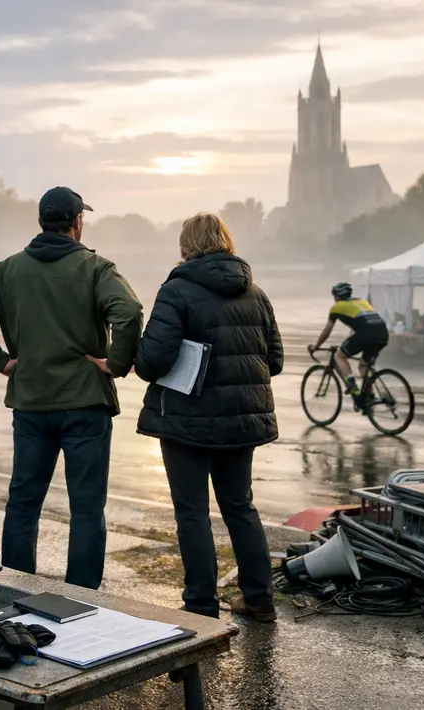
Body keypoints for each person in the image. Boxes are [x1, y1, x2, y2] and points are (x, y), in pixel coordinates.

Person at [0, 186, 143, 590]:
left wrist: (1, 361)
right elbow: (128, 311)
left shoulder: (8, 270)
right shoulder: (97, 269)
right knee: (86, 508)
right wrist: (116, 364)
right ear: (77, 222)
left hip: (32, 405)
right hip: (86, 404)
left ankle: (16, 591)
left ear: (41, 220)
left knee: (23, 503)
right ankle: (82, 595)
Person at [125, 212, 282, 623]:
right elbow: (275, 360)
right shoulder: (256, 294)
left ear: (186, 246)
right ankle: (260, 599)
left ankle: (200, 605)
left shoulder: (176, 291)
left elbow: (152, 361)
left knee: (192, 513)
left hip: (186, 422)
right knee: (240, 507)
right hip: (242, 421)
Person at [309, 282, 388, 410]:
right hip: (382, 333)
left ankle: (352, 384)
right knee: (364, 366)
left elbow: (327, 331)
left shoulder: (336, 307)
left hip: (366, 333)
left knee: (339, 356)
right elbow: (361, 323)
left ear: (336, 297)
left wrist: (316, 346)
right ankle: (369, 397)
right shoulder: (362, 302)